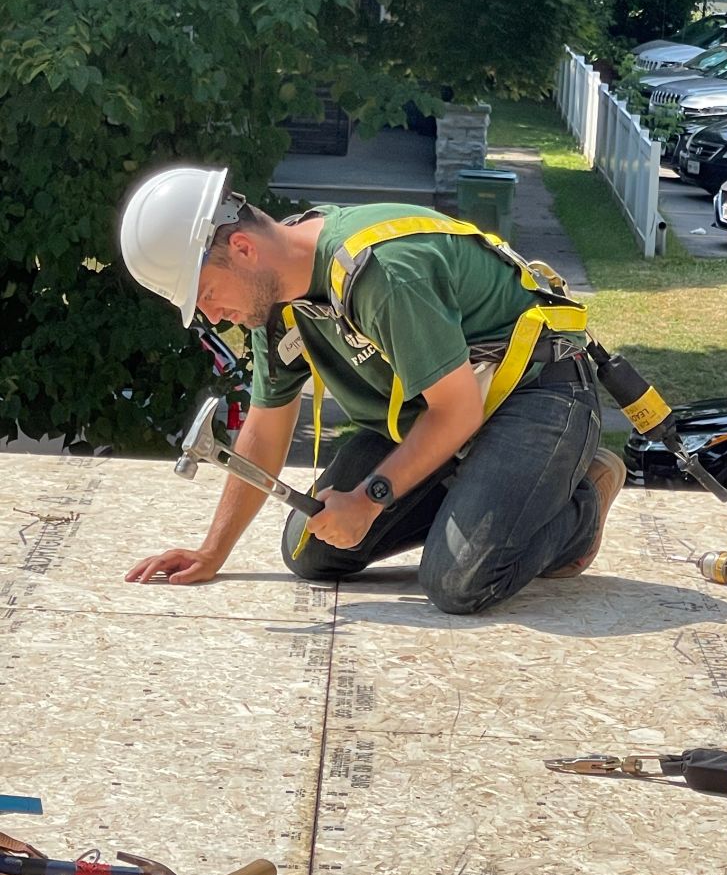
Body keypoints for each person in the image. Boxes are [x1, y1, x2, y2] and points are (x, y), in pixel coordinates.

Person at [120, 164, 625, 614]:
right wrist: (213, 551)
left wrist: (370, 497)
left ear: (243, 249)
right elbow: (266, 426)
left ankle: (578, 507)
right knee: (312, 548)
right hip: (439, 414)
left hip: (537, 395)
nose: (210, 316)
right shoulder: (276, 305)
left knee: (458, 582)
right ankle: (482, 499)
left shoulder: (380, 271)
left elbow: (456, 410)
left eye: (206, 294)